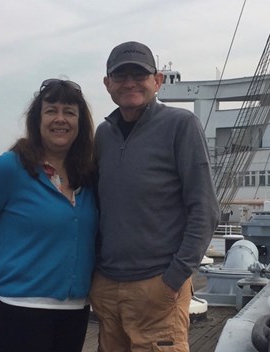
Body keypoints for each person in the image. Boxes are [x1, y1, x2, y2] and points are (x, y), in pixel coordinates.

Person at [90, 41, 220, 351]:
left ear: (157, 81)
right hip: (107, 287)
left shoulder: (181, 125)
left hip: (157, 284)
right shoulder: (103, 135)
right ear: (107, 84)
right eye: (120, 76)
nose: (130, 82)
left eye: (140, 74)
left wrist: (173, 279)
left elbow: (205, 210)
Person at [0, 78, 98, 352]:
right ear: (37, 119)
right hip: (21, 311)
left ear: (81, 122)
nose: (60, 119)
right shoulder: (9, 169)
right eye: (51, 110)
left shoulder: (87, 176)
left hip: (76, 310)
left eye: (69, 112)